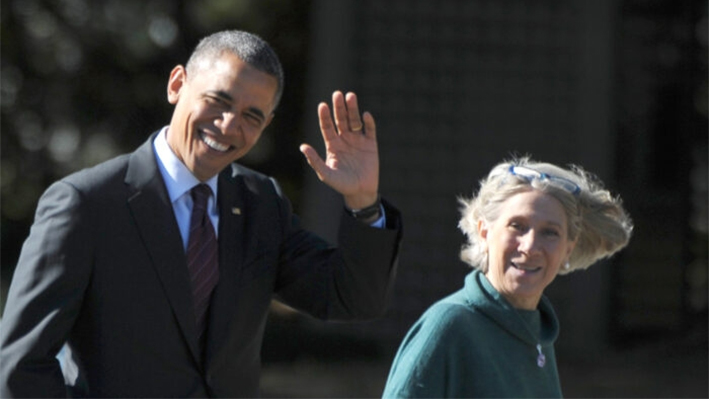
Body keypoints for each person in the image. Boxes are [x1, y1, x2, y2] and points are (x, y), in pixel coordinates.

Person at [0, 30, 403, 398]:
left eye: (251, 116)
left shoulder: (261, 203)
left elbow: (351, 300)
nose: (229, 126)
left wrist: (363, 202)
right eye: (218, 101)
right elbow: (20, 367)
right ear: (177, 85)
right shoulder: (86, 204)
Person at [382, 157, 632, 398]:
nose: (530, 246)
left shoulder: (538, 333)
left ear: (568, 247)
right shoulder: (449, 326)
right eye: (517, 226)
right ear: (484, 232)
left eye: (550, 232)